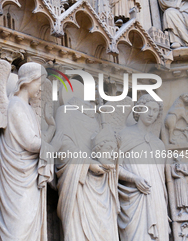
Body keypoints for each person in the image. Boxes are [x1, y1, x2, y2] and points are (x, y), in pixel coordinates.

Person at [0, 62, 62, 241]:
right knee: (18, 228)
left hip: (28, 176)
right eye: (39, 84)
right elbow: (30, 143)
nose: (40, 90)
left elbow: (37, 139)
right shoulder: (15, 105)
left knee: (29, 224)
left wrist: (52, 127)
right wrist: (52, 149)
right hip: (16, 177)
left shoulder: (29, 110)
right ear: (28, 81)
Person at [55, 97, 120, 241]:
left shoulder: (97, 119)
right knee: (78, 230)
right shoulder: (65, 112)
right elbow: (62, 144)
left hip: (102, 184)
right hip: (78, 180)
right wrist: (88, 163)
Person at [117, 94, 169, 241]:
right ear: (139, 110)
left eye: (155, 110)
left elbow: (161, 179)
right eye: (147, 109)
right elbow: (114, 168)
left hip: (157, 197)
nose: (151, 113)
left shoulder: (159, 144)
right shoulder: (124, 135)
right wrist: (134, 178)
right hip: (134, 198)